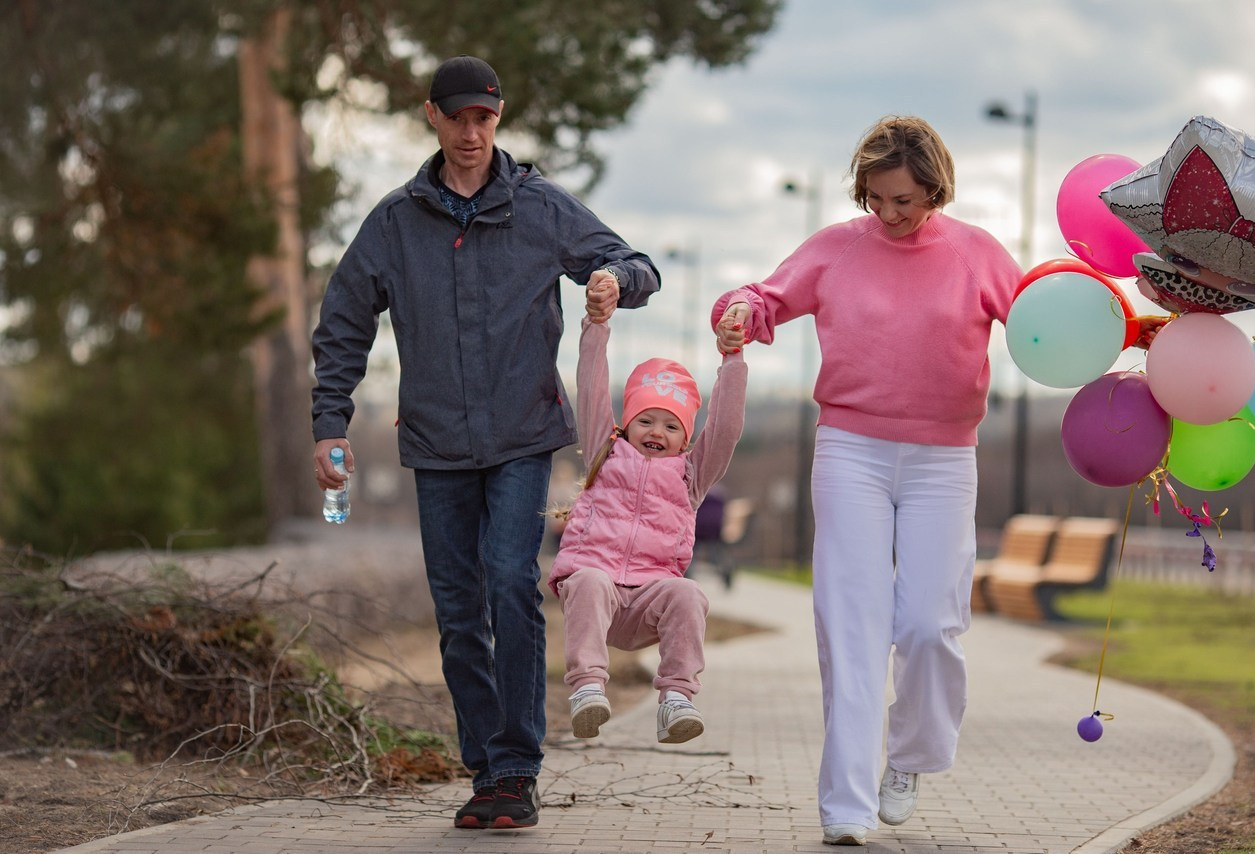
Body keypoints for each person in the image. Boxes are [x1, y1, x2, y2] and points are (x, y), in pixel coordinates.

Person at [310, 55, 660, 831]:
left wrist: (613, 281)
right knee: (459, 605)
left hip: (522, 435)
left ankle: (517, 766)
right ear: (431, 116)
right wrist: (330, 423)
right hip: (436, 444)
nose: (473, 133)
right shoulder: (396, 222)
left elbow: (637, 265)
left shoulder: (539, 207)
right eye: (459, 117)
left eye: (486, 118)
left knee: (509, 580)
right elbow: (342, 322)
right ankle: (486, 768)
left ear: (498, 119)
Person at [713, 116, 1022, 847]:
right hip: (850, 449)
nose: (889, 214)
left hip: (944, 460)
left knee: (927, 625)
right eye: (877, 199)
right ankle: (845, 804)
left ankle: (911, 756)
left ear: (935, 190)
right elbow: (767, 297)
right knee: (851, 626)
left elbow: (1044, 320)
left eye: (906, 201)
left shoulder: (977, 254)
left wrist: (1124, 337)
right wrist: (738, 312)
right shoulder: (835, 249)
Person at [546, 294, 748, 744]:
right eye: (646, 421)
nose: (657, 432)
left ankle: (676, 699)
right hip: (595, 596)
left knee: (688, 593)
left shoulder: (691, 477)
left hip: (647, 603)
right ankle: (587, 690)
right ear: (625, 425)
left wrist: (732, 359)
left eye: (671, 426)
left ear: (685, 439)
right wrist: (596, 327)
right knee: (591, 580)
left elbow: (726, 429)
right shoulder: (605, 452)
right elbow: (593, 388)